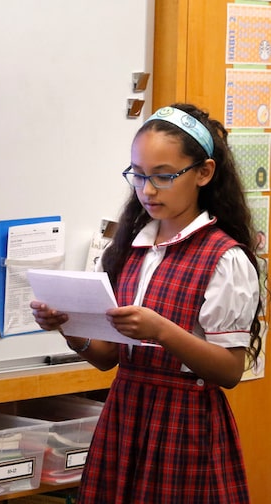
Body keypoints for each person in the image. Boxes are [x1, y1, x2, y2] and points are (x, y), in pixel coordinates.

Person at [31, 104, 263, 502]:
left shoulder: (223, 258)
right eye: (137, 175)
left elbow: (229, 370)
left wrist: (161, 331)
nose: (147, 190)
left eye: (163, 176)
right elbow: (109, 357)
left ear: (204, 173)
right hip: (126, 412)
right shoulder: (132, 248)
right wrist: (69, 327)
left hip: (185, 423)